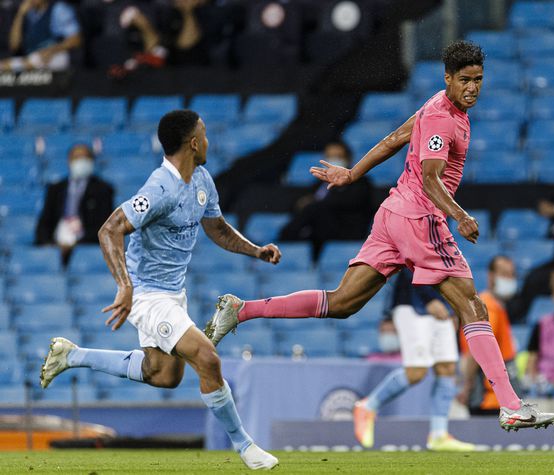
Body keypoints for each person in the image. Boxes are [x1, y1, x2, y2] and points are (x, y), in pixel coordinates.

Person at [206, 40, 554, 431]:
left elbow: (395, 138)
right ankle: (510, 404)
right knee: (472, 306)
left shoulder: (435, 106)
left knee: (343, 302)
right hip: (420, 218)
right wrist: (459, 215)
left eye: (478, 79)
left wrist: (351, 173)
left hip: (391, 215)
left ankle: (242, 309)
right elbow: (430, 179)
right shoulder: (444, 118)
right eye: (465, 80)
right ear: (448, 78)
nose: (473, 87)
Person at [39, 110, 281, 470]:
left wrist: (255, 249)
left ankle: (71, 355)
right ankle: (246, 447)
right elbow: (110, 229)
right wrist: (125, 286)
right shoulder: (159, 188)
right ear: (194, 143)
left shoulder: (201, 180)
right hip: (147, 294)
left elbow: (217, 228)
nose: (208, 141)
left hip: (173, 293)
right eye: (205, 134)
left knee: (164, 375)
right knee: (207, 359)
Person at [354, 269, 476, 451]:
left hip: (442, 303)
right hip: (413, 302)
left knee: (447, 368)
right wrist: (429, 298)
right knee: (416, 371)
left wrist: (454, 306)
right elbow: (411, 260)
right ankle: (368, 406)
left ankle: (439, 434)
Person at [279, 141, 373, 258]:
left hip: (345, 230)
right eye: (329, 157)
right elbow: (299, 203)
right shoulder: (319, 182)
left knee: (314, 208)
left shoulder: (360, 181)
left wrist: (315, 203)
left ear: (349, 159)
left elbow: (352, 202)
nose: (333, 160)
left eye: (338, 157)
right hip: (318, 231)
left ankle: (284, 238)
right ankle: (285, 241)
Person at [457, 256, 519, 415]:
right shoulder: (488, 307)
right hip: (489, 398)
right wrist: (467, 385)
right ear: (491, 276)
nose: (509, 279)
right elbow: (476, 351)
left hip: (494, 397)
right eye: (504, 274)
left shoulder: (493, 305)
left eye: (512, 275)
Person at [34, 143, 114, 265]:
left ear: (92, 161)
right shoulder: (55, 189)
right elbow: (44, 222)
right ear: (69, 161)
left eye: (85, 158)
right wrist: (51, 244)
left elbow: (104, 226)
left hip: (86, 244)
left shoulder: (103, 189)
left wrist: (76, 243)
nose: (81, 162)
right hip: (56, 242)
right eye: (77, 157)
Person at [0, 0, 81, 72]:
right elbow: (14, 45)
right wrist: (20, 15)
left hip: (56, 55)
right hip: (31, 58)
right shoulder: (25, 13)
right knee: (3, 66)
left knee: (34, 60)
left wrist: (52, 50)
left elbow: (75, 39)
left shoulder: (58, 8)